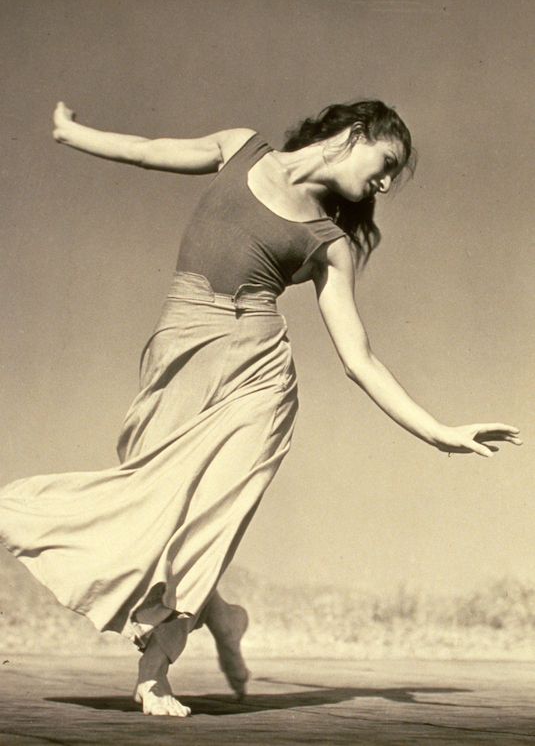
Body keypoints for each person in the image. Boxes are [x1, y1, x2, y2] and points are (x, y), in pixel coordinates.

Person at [0, 99, 521, 717]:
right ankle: (222, 617)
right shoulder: (240, 148)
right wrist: (71, 132)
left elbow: (360, 359)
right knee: (152, 503)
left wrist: (437, 431)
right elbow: (147, 149)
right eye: (385, 164)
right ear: (354, 135)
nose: (385, 184)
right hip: (180, 348)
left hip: (258, 374)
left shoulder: (330, 244)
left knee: (214, 511)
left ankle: (155, 671)